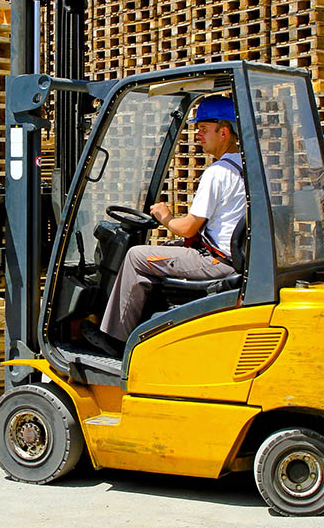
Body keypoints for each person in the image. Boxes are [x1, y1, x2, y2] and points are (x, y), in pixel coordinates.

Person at [84, 95, 247, 357]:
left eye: (204, 129)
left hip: (217, 261)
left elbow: (188, 228)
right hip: (227, 255)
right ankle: (148, 328)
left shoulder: (218, 173)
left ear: (224, 132)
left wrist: (165, 216)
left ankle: (115, 339)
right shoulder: (242, 167)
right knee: (166, 249)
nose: (199, 135)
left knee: (137, 256)